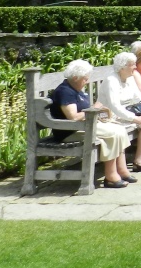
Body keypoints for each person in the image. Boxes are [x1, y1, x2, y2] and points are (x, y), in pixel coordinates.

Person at [50, 60, 136, 188]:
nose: (86, 82)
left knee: (119, 129)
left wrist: (97, 110)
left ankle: (122, 170)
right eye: (85, 79)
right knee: (113, 133)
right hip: (69, 132)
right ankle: (111, 176)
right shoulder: (65, 92)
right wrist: (95, 109)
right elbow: (73, 117)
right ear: (75, 78)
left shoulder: (76, 89)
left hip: (84, 127)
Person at [98, 52, 141, 172]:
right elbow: (114, 106)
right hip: (112, 116)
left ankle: (140, 157)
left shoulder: (130, 78)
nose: (135, 67)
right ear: (123, 67)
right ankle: (139, 160)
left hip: (128, 113)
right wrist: (136, 118)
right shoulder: (111, 80)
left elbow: (139, 98)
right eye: (132, 65)